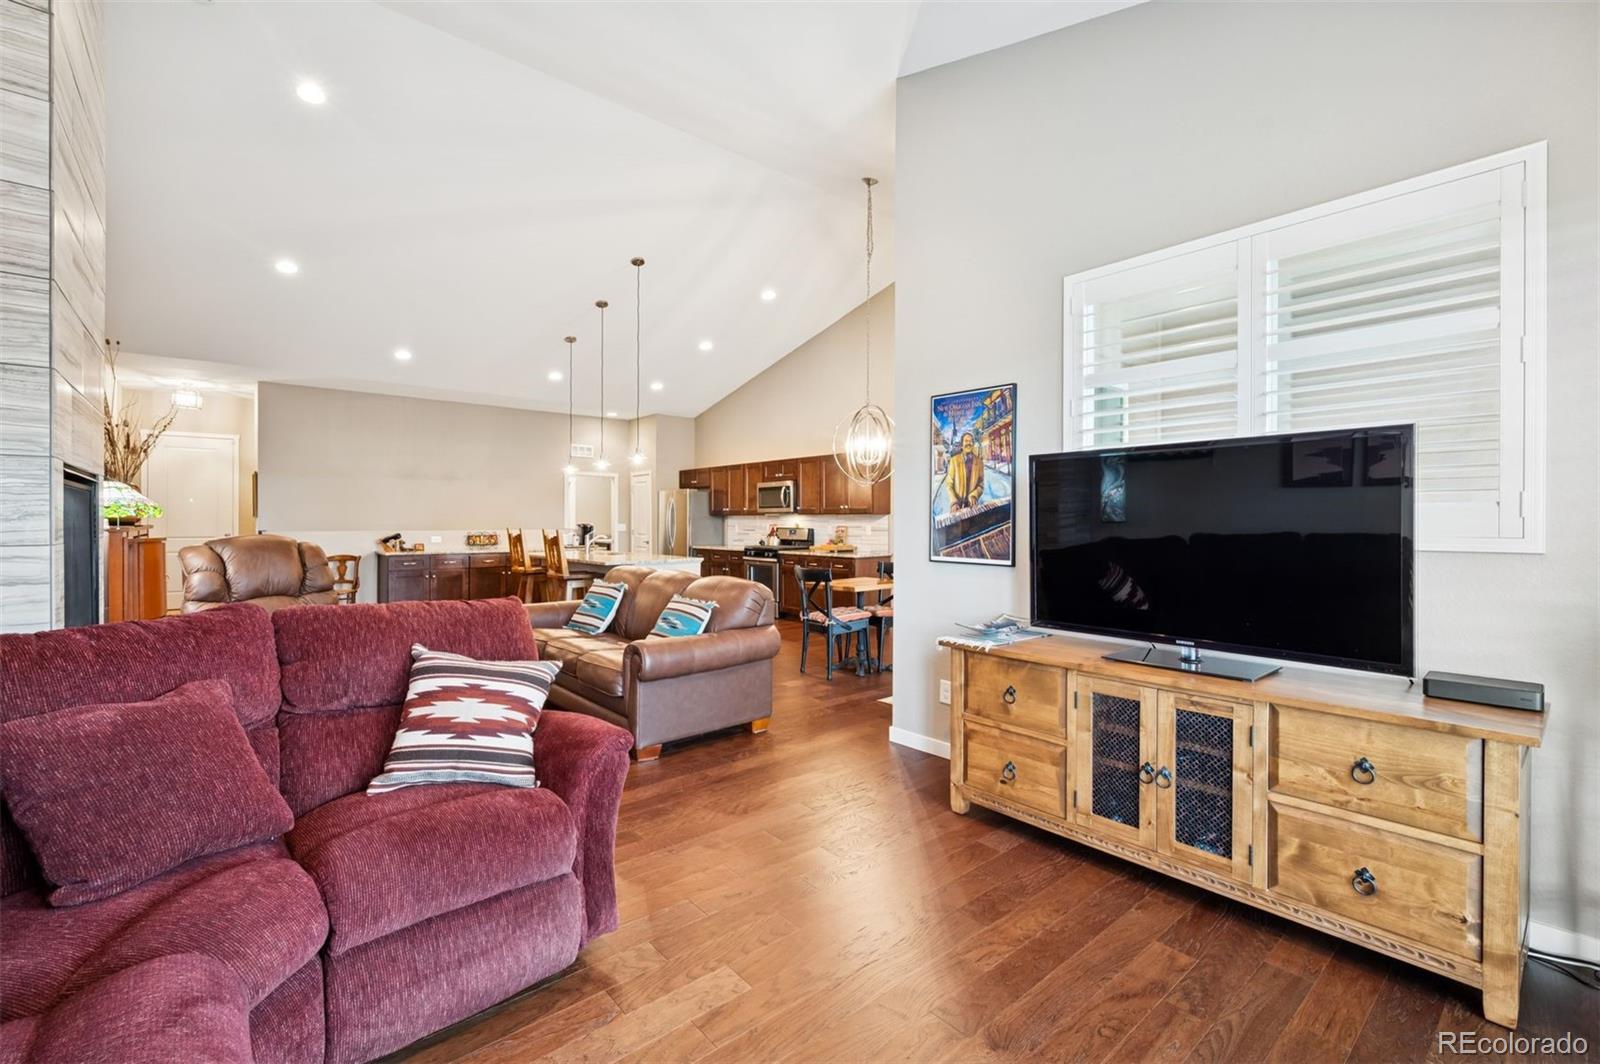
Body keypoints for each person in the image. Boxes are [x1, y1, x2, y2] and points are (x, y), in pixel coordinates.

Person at [944, 431, 985, 511]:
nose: (968, 443)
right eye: (966, 441)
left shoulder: (979, 462)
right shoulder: (954, 460)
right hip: (957, 506)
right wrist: (954, 502)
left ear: (973, 444)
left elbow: (981, 484)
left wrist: (974, 495)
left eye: (970, 441)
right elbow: (949, 484)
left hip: (972, 506)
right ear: (962, 445)